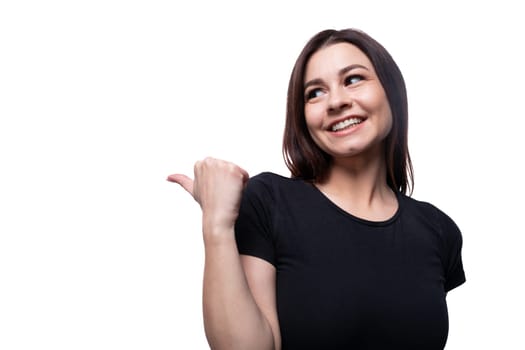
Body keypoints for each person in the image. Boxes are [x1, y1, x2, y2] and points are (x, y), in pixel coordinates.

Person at [168, 28, 466, 350]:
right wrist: (217, 225)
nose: (336, 101)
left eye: (353, 79)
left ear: (391, 92)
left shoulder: (438, 231)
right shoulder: (269, 202)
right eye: (315, 93)